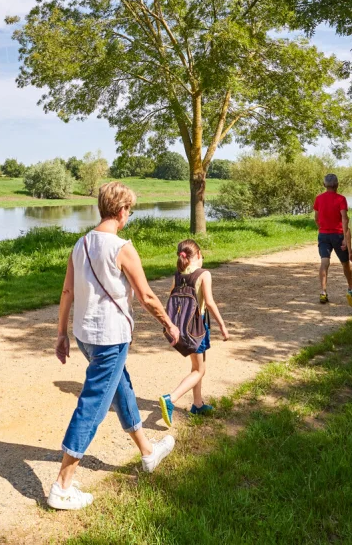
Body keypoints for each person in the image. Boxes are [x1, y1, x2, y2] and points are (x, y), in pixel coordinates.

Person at [47, 181, 181, 511]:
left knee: (121, 388)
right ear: (121, 211)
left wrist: (61, 334)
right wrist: (168, 323)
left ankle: (148, 453)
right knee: (92, 404)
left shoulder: (80, 245)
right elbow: (148, 295)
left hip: (85, 336)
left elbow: (67, 293)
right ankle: (62, 487)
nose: (129, 216)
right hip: (110, 337)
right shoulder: (121, 247)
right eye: (129, 211)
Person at [158, 239, 229, 427]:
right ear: (197, 255)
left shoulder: (177, 275)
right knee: (200, 370)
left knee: (198, 366)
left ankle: (197, 404)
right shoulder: (204, 274)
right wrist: (222, 325)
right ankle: (171, 399)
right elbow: (210, 303)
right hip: (198, 328)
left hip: (183, 328)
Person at [313, 173, 352, 304]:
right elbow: (344, 218)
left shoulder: (319, 199)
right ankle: (350, 288)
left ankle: (323, 292)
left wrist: (322, 228)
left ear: (324, 185)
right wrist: (345, 237)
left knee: (324, 263)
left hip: (323, 235)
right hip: (338, 235)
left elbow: (316, 218)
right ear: (337, 185)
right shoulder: (341, 199)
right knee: (345, 263)